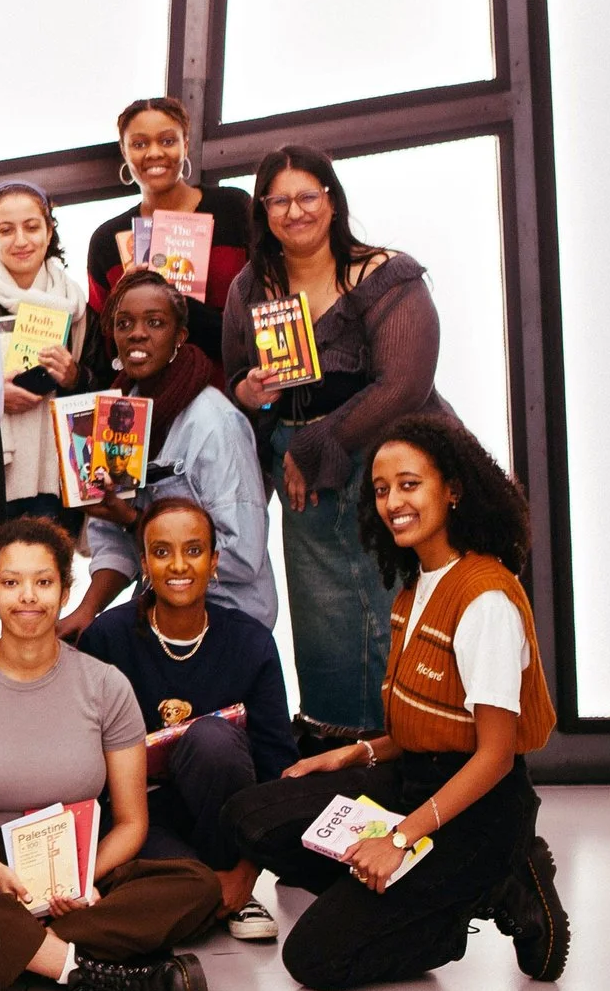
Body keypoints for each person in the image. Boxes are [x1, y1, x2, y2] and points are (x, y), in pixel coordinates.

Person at [223, 415, 568, 990]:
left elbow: (494, 756)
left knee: (313, 958)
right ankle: (396, 901)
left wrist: (399, 840)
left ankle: (490, 887)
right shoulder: (414, 586)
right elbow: (432, 725)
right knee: (249, 818)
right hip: (414, 779)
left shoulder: (484, 599)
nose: (391, 502)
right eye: (381, 489)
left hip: (477, 812)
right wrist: (354, 755)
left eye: (409, 484)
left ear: (452, 489)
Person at [0, 518, 220, 991]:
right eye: (11, 582)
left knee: (199, 886)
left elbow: (131, 821)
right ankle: (90, 969)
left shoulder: (106, 685)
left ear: (66, 592)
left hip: (83, 862)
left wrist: (85, 882)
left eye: (43, 582)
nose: (27, 597)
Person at [223, 144, 450, 733]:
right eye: (279, 200)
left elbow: (405, 383)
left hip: (391, 467)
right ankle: (344, 768)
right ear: (263, 210)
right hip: (303, 484)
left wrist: (318, 444)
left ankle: (418, 754)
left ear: (332, 200)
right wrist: (252, 391)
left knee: (402, 609)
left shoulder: (383, 274)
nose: (294, 211)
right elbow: (238, 386)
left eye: (307, 196)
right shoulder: (250, 289)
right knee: (325, 630)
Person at [76, 497, 294, 941]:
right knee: (187, 889)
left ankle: (223, 887)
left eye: (194, 551)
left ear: (214, 562)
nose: (179, 565)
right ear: (143, 564)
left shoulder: (250, 643)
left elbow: (277, 771)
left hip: (224, 826)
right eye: (161, 552)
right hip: (140, 821)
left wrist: (246, 871)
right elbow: (82, 763)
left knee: (212, 740)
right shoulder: (106, 638)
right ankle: (196, 891)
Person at [56, 269, 274, 634]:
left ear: (180, 337)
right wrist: (87, 611)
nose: (137, 333)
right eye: (124, 323)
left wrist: (133, 520)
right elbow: (112, 542)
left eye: (155, 322)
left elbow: (242, 554)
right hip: (158, 609)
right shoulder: (118, 415)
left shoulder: (214, 421)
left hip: (229, 617)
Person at [83, 96, 253, 366]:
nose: (154, 153)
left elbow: (267, 308)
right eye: (139, 144)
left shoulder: (233, 208)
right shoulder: (107, 241)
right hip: (152, 401)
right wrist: (125, 301)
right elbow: (104, 357)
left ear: (185, 145)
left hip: (236, 389)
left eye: (167, 141)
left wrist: (175, 299)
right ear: (124, 152)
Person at [0, 179, 88, 521]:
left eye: (32, 227)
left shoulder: (74, 301)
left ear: (49, 232)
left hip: (55, 472)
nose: (21, 240)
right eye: (6, 230)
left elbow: (98, 384)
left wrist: (74, 376)